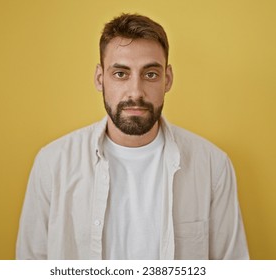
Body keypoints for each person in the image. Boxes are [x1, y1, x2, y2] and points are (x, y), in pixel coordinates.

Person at [16, 13, 249, 260]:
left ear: (167, 79)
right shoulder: (53, 163)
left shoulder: (212, 165)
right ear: (99, 78)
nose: (136, 91)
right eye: (120, 74)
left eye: (150, 74)